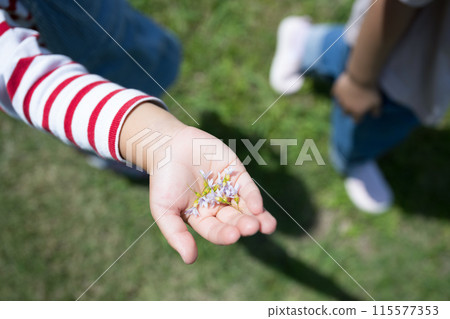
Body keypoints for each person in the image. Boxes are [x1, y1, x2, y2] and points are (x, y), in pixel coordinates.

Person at [0, 0, 276, 264]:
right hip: (71, 89)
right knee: (91, 128)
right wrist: (157, 144)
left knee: (138, 60)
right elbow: (29, 80)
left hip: (105, 25)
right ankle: (111, 156)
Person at [270, 0, 450, 213]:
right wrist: (359, 82)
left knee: (351, 53)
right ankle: (353, 156)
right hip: (401, 66)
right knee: (374, 104)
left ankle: (304, 42)